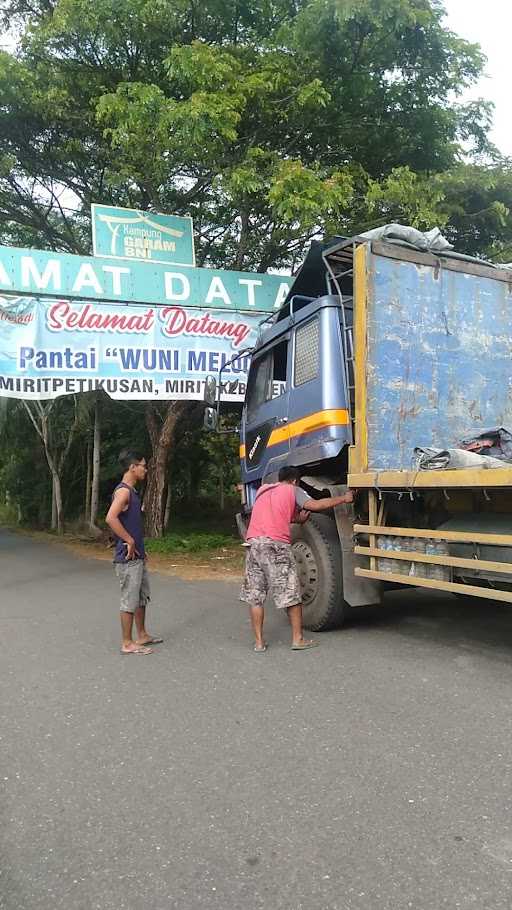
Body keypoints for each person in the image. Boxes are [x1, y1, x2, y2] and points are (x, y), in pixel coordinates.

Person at [240, 466, 354, 653]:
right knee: (291, 593)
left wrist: (296, 519)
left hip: (253, 544)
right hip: (275, 545)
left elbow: (274, 514)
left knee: (256, 597)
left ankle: (259, 643)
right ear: (294, 480)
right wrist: (344, 498)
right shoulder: (293, 489)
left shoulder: (263, 490)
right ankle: (298, 639)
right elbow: (315, 505)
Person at [106, 449, 163, 655]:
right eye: (143, 466)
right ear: (132, 467)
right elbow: (110, 518)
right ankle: (127, 642)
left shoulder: (132, 491)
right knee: (129, 599)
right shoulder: (123, 492)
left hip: (137, 556)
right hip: (127, 559)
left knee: (140, 597)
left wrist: (140, 547)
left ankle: (142, 635)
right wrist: (128, 540)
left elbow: (131, 523)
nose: (146, 470)